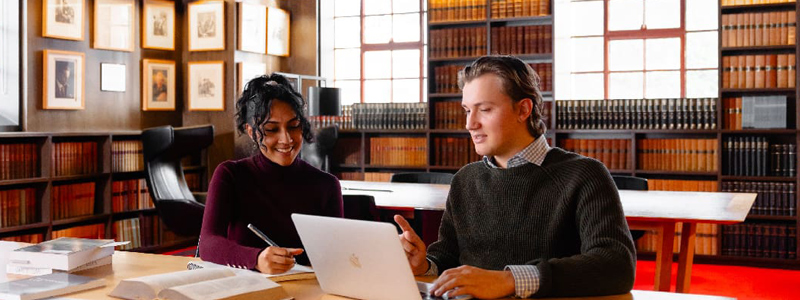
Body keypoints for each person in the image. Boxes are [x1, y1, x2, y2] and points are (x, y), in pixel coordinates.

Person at [394, 55, 636, 299]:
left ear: (523, 110)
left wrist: (510, 280)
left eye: (484, 109)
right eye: (467, 110)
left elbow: (616, 265)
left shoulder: (585, 175)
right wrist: (424, 265)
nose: (470, 123)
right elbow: (448, 257)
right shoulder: (465, 179)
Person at [199, 73, 344, 274]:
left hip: (307, 286)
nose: (286, 139)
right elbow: (208, 243)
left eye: (293, 126)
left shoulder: (327, 185)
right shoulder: (230, 175)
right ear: (251, 132)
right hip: (246, 286)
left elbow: (337, 254)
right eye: (271, 129)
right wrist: (256, 258)